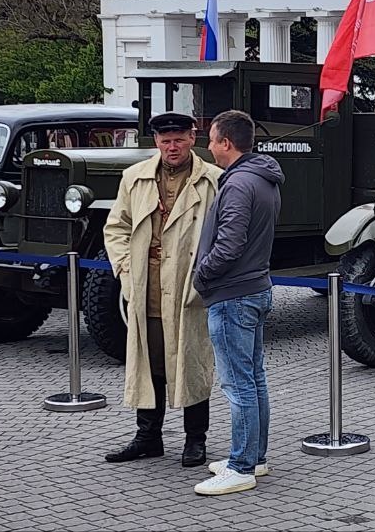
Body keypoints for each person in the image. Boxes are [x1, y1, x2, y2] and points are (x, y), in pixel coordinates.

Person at [102, 112, 222, 468]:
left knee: (192, 359)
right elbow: (116, 228)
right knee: (149, 358)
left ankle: (195, 439)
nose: (173, 147)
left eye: (179, 139)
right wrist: (125, 269)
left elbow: (223, 233)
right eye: (166, 140)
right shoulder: (134, 178)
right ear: (155, 141)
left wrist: (206, 277)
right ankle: (147, 437)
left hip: (188, 282)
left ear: (192, 137)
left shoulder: (213, 180)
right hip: (146, 280)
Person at [193, 110, 283, 496]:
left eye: (211, 140)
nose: (208, 146)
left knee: (238, 384)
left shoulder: (238, 184)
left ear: (226, 143)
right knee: (254, 378)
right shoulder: (262, 177)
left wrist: (202, 275)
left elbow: (229, 244)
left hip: (233, 294)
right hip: (255, 287)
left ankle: (241, 465)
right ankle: (254, 457)